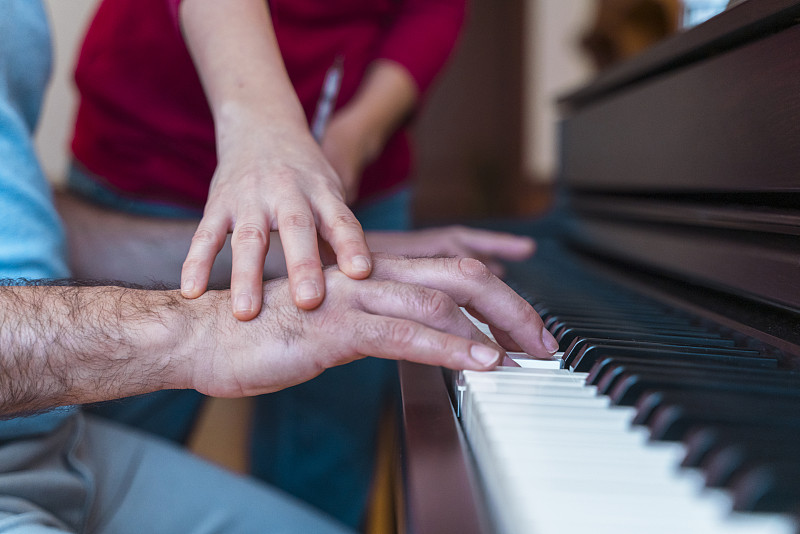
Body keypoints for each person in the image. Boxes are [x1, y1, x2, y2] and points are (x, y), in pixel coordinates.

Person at [0, 1, 559, 531]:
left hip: (51, 447)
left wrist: (351, 157)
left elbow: (46, 232)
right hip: (157, 155)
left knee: (327, 471)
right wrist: (194, 329)